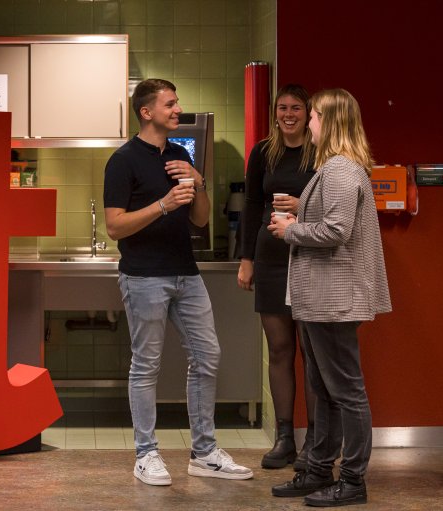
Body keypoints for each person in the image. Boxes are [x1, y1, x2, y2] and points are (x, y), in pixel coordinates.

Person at [104, 78, 253, 486]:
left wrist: (197, 180)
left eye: (177, 102)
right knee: (145, 366)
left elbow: (201, 219)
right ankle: (146, 453)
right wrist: (163, 204)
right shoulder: (123, 161)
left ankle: (204, 453)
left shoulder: (179, 155)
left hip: (187, 274)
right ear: (146, 112)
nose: (177, 109)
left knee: (208, 356)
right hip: (144, 276)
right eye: (170, 104)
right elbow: (115, 226)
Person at [268, 88, 391, 507]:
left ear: (330, 121)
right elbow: (333, 221)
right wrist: (300, 215)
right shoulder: (336, 169)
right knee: (324, 388)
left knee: (346, 391)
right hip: (321, 297)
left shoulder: (339, 170)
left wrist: (291, 231)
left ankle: (353, 480)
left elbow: (336, 231)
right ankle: (318, 469)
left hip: (332, 298)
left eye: (314, 116)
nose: (309, 123)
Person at [237, 84, 317, 470]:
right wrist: (246, 258)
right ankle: (285, 437)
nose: (289, 114)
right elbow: (252, 205)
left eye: (296, 108)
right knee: (280, 350)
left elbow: (340, 205)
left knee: (314, 354)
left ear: (308, 112)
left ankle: (317, 439)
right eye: (282, 108)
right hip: (271, 258)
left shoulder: (323, 152)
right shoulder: (262, 152)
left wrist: (304, 207)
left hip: (314, 258)